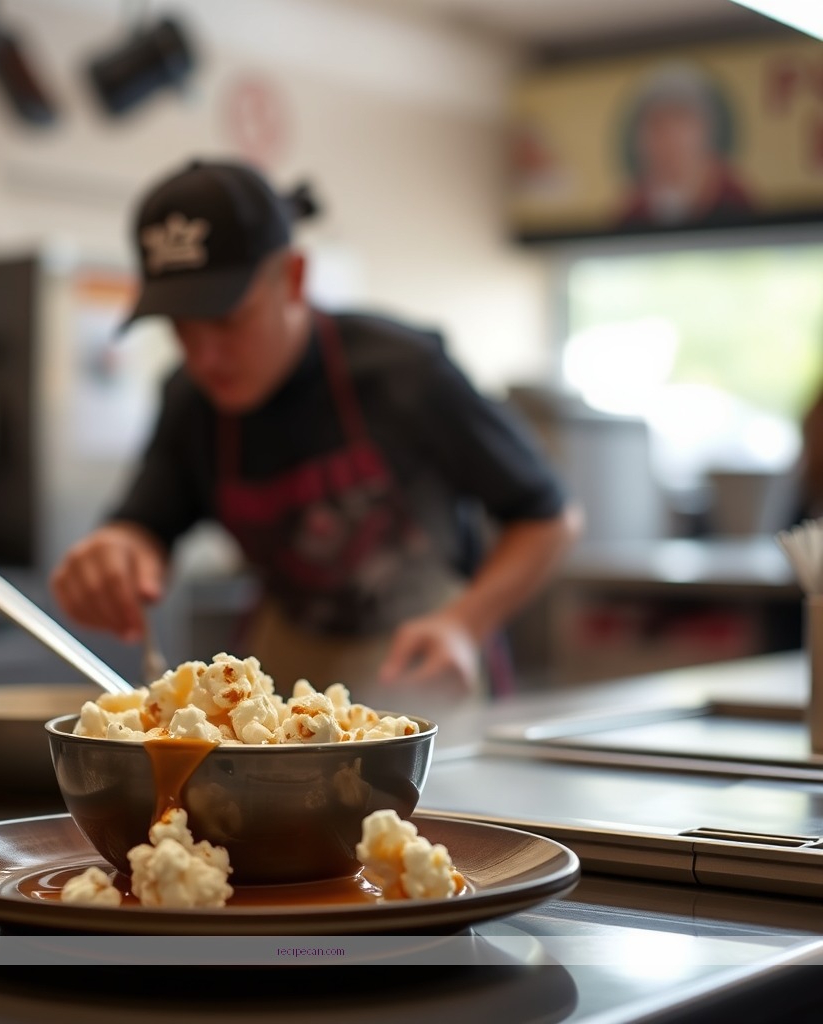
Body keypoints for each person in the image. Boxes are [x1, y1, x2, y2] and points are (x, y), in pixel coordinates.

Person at [50, 157, 582, 697]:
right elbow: (146, 524)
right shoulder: (189, 399)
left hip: (419, 657)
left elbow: (550, 518)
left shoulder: (405, 371)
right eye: (181, 328)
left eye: (227, 320)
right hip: (290, 655)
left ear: (294, 277)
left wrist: (465, 624)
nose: (204, 356)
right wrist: (117, 551)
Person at [617, 63, 753, 230]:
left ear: (706, 129)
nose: (670, 138)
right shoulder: (633, 211)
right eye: (658, 124)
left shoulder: (734, 198)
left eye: (681, 120)